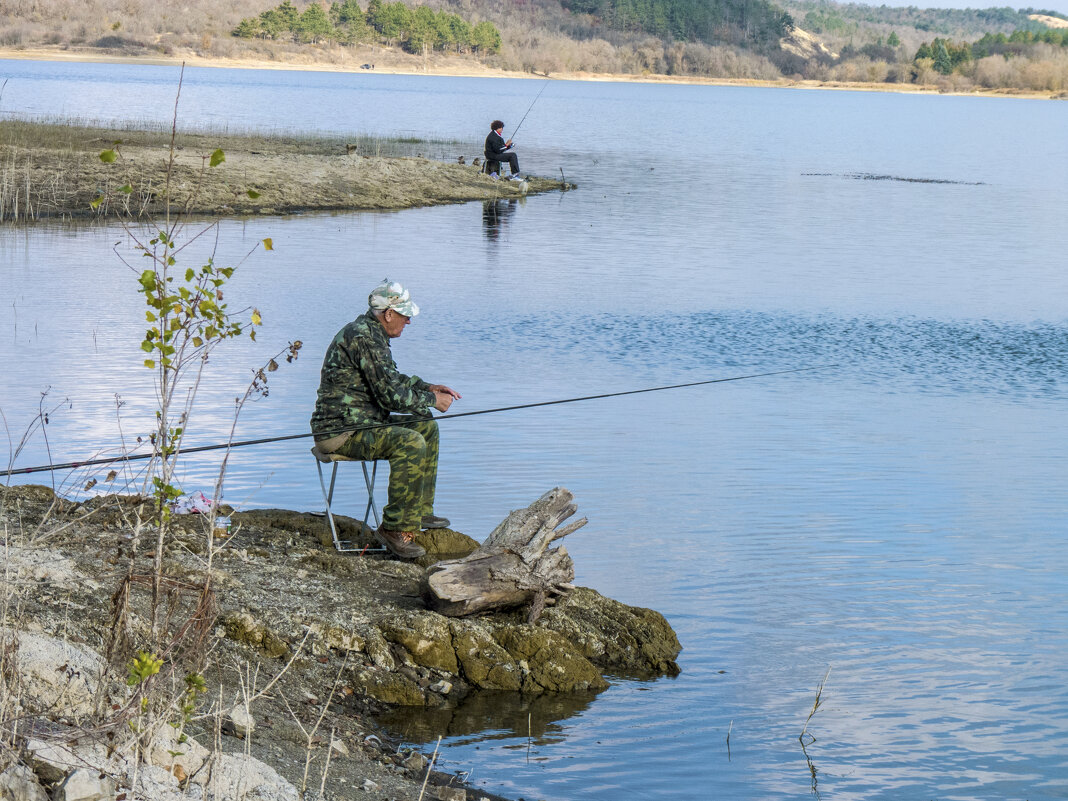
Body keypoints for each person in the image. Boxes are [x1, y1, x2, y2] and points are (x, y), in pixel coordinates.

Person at [310, 280, 461, 558]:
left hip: (363, 424)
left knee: (425, 425)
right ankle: (394, 528)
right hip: (340, 433)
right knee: (410, 442)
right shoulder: (363, 337)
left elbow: (391, 379)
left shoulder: (371, 334)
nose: (408, 322)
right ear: (389, 314)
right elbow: (390, 396)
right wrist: (432, 401)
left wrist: (427, 388)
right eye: (405, 316)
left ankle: (417, 513)